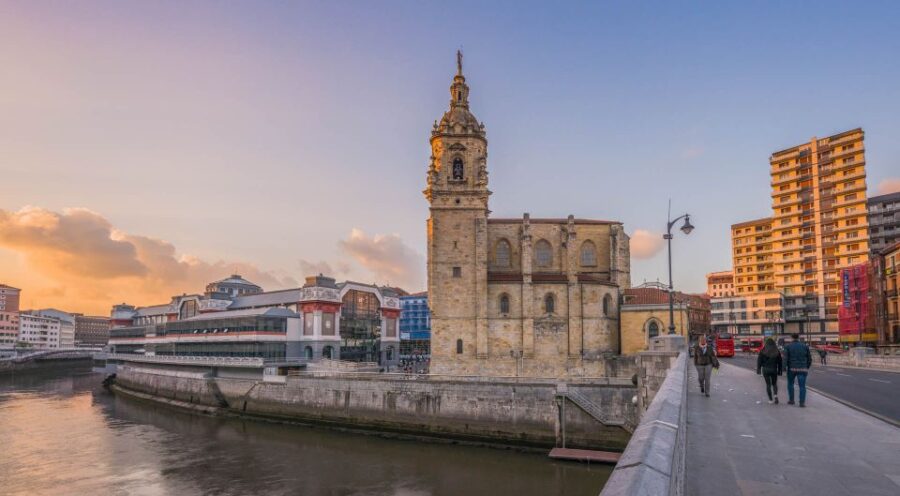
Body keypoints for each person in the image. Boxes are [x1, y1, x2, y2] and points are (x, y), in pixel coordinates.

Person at [784, 333, 812, 407]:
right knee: (802, 386)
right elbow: (809, 359)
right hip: (803, 368)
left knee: (790, 384)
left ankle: (791, 400)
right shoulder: (805, 346)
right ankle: (802, 403)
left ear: (791, 338)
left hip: (791, 368)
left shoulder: (788, 346)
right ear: (798, 338)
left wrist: (784, 368)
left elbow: (785, 358)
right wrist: (807, 366)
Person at [756, 338, 783, 404]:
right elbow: (780, 362)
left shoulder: (763, 351)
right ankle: (775, 396)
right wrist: (780, 371)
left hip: (765, 369)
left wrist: (758, 370)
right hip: (774, 369)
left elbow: (759, 361)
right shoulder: (777, 351)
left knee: (768, 384)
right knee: (774, 384)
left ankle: (770, 400)